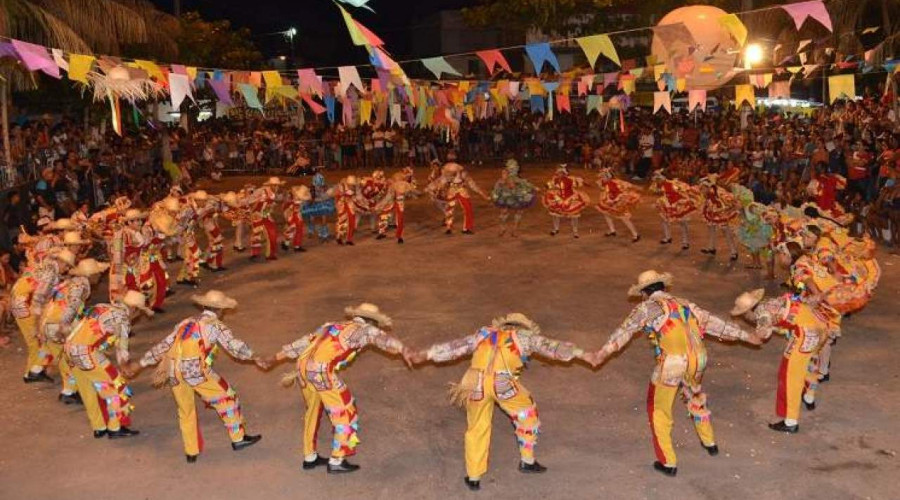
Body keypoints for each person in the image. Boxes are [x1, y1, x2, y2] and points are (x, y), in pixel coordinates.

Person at [584, 270, 760, 476]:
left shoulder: (646, 308)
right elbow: (714, 323)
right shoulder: (685, 303)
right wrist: (746, 336)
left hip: (672, 363)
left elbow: (624, 332)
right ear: (663, 287)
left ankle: (668, 462)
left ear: (644, 293)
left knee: (659, 409)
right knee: (694, 396)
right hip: (698, 359)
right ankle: (709, 442)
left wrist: (603, 353)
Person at [408, 313, 588, 491]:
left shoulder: (483, 334)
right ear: (522, 327)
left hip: (474, 384)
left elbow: (455, 347)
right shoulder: (524, 337)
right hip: (503, 386)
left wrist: (426, 354)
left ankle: (473, 476)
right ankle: (527, 461)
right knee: (527, 413)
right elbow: (553, 348)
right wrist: (584, 354)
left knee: (477, 427)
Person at [260, 303, 414, 474]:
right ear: (372, 322)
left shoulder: (331, 325)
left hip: (302, 368)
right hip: (321, 373)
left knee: (312, 411)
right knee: (345, 410)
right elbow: (386, 342)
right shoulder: (364, 329)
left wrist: (274, 358)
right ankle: (337, 460)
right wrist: (404, 350)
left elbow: (301, 343)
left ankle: (309, 456)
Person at [128, 290, 264, 462]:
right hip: (195, 371)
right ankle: (238, 438)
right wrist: (255, 356)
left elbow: (164, 345)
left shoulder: (186, 322)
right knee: (227, 398)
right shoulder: (215, 325)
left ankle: (191, 451)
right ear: (221, 310)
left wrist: (140, 363)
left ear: (204, 306)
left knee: (185, 410)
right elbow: (234, 347)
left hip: (174, 372)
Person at [731, 289, 833, 433]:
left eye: (743, 314)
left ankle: (791, 421)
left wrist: (753, 335)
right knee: (804, 365)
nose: (745, 317)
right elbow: (800, 303)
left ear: (748, 311)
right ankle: (809, 397)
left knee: (791, 377)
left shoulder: (762, 313)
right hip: (816, 324)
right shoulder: (768, 301)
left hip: (806, 333)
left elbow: (764, 333)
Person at [63, 290, 153, 438]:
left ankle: (99, 427)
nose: (137, 317)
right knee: (115, 388)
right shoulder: (123, 319)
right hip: (87, 353)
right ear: (134, 308)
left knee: (88, 390)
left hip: (70, 349)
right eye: (139, 313)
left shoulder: (102, 306)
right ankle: (115, 428)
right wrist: (124, 366)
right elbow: (122, 346)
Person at [39, 257, 108, 404]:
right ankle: (77, 390)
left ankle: (69, 391)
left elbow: (51, 301)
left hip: (49, 323)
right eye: (98, 273)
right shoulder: (80, 284)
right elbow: (72, 305)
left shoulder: (71, 282)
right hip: (58, 325)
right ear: (92, 274)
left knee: (65, 361)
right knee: (74, 359)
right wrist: (64, 327)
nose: (100, 276)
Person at [11, 248, 77, 382]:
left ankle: (36, 370)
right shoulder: (51, 273)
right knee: (35, 340)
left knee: (40, 340)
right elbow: (38, 298)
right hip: (25, 303)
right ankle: (30, 373)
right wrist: (37, 324)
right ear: (61, 262)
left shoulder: (49, 265)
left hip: (21, 300)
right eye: (67, 266)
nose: (66, 269)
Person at [426, 162, 489, 235]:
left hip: (460, 191)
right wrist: (430, 188)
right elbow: (440, 182)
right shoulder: (452, 174)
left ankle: (464, 228)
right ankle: (449, 227)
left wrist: (481, 193)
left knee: (466, 208)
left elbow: (472, 184)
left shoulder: (462, 174)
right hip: (455, 191)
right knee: (450, 209)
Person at [650, 169, 698, 249]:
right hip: (670, 204)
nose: (656, 180)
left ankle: (685, 242)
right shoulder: (662, 184)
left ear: (663, 177)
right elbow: (662, 193)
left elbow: (684, 190)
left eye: (658, 178)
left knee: (682, 223)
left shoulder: (673, 184)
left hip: (679, 204)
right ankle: (667, 237)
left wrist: (686, 200)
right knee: (665, 220)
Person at [490, 159, 537, 237]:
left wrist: (533, 187)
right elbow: (498, 184)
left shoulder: (518, 179)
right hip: (506, 196)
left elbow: (525, 183)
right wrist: (496, 192)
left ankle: (514, 230)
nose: (513, 170)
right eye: (511, 168)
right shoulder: (504, 176)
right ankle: (503, 228)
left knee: (518, 212)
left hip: (516, 195)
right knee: (504, 212)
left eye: (514, 168)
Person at [698, 175, 740, 261]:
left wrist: (723, 210)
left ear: (707, 187)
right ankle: (711, 247)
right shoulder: (708, 194)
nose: (701, 190)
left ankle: (733, 252)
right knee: (711, 229)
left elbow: (726, 203)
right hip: (713, 213)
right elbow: (707, 202)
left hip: (721, 214)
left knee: (726, 232)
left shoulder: (716, 193)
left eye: (703, 188)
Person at [541, 164, 590, 238]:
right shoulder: (555, 179)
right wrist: (545, 188)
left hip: (570, 198)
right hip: (559, 198)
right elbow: (549, 185)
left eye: (560, 172)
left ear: (564, 173)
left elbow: (581, 182)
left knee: (574, 215)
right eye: (558, 172)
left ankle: (575, 231)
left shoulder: (571, 179)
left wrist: (585, 183)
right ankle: (555, 229)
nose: (559, 174)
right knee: (555, 214)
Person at [594, 167, 642, 242]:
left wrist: (637, 187)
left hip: (619, 201)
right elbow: (604, 190)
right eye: (602, 176)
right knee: (606, 213)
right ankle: (612, 230)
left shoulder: (616, 182)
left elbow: (626, 186)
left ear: (608, 176)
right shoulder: (605, 183)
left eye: (603, 176)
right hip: (610, 201)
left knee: (624, 218)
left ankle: (635, 234)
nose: (602, 178)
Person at [249, 177, 284, 260]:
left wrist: (267, 214)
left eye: (278, 185)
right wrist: (254, 211)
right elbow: (250, 201)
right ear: (270, 185)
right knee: (256, 235)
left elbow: (269, 206)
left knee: (273, 234)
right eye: (274, 185)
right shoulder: (261, 191)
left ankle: (270, 254)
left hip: (265, 215)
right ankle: (255, 254)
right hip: (256, 215)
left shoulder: (274, 193)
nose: (276, 187)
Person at [282, 185, 311, 252]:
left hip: (297, 215)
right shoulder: (292, 199)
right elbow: (288, 207)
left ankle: (295, 246)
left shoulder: (298, 199)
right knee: (292, 229)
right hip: (292, 215)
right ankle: (287, 244)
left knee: (298, 230)